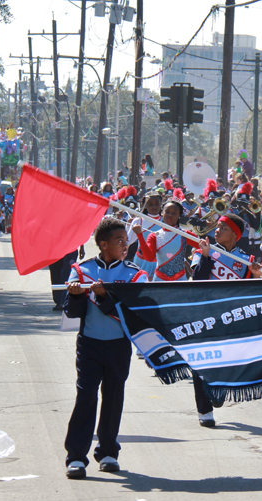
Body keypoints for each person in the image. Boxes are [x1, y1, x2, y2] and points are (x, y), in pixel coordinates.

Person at [63, 218, 149, 479]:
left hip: (118, 345)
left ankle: (108, 452)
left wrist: (104, 296)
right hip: (89, 343)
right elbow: (71, 312)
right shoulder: (82, 270)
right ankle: (76, 456)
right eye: (119, 241)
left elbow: (134, 312)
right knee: (86, 396)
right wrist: (77, 295)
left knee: (113, 397)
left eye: (126, 241)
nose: (125, 245)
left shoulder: (135, 274)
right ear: (103, 244)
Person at [190, 213, 262, 428]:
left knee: (225, 361)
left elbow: (249, 293)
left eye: (223, 228)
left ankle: (218, 389)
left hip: (230, 319)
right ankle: (204, 411)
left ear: (235, 234)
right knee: (200, 362)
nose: (217, 230)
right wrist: (205, 256)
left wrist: (256, 275)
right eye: (217, 227)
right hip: (204, 315)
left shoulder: (246, 260)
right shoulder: (203, 250)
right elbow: (198, 280)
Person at [132, 200, 193, 282]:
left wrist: (194, 260)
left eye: (174, 213)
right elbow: (150, 258)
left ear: (179, 215)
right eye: (167, 212)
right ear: (162, 213)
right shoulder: (154, 236)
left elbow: (202, 247)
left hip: (180, 280)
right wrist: (139, 235)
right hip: (159, 280)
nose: (170, 215)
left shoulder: (185, 234)